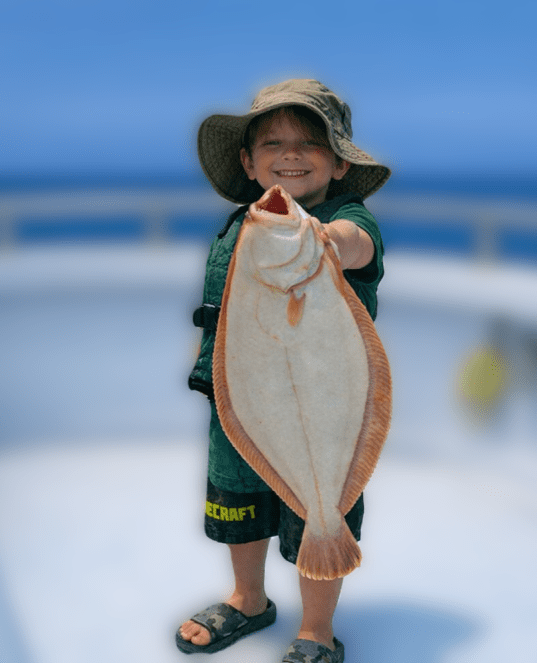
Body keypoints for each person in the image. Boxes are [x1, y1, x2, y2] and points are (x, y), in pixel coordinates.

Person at [177, 79, 391, 663]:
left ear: (340, 164)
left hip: (323, 410)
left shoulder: (345, 221)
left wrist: (327, 239)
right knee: (237, 497)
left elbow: (357, 245)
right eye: (273, 142)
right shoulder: (246, 225)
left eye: (310, 144)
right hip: (243, 404)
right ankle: (248, 600)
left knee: (320, 512)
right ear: (248, 161)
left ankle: (316, 630)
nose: (290, 155)